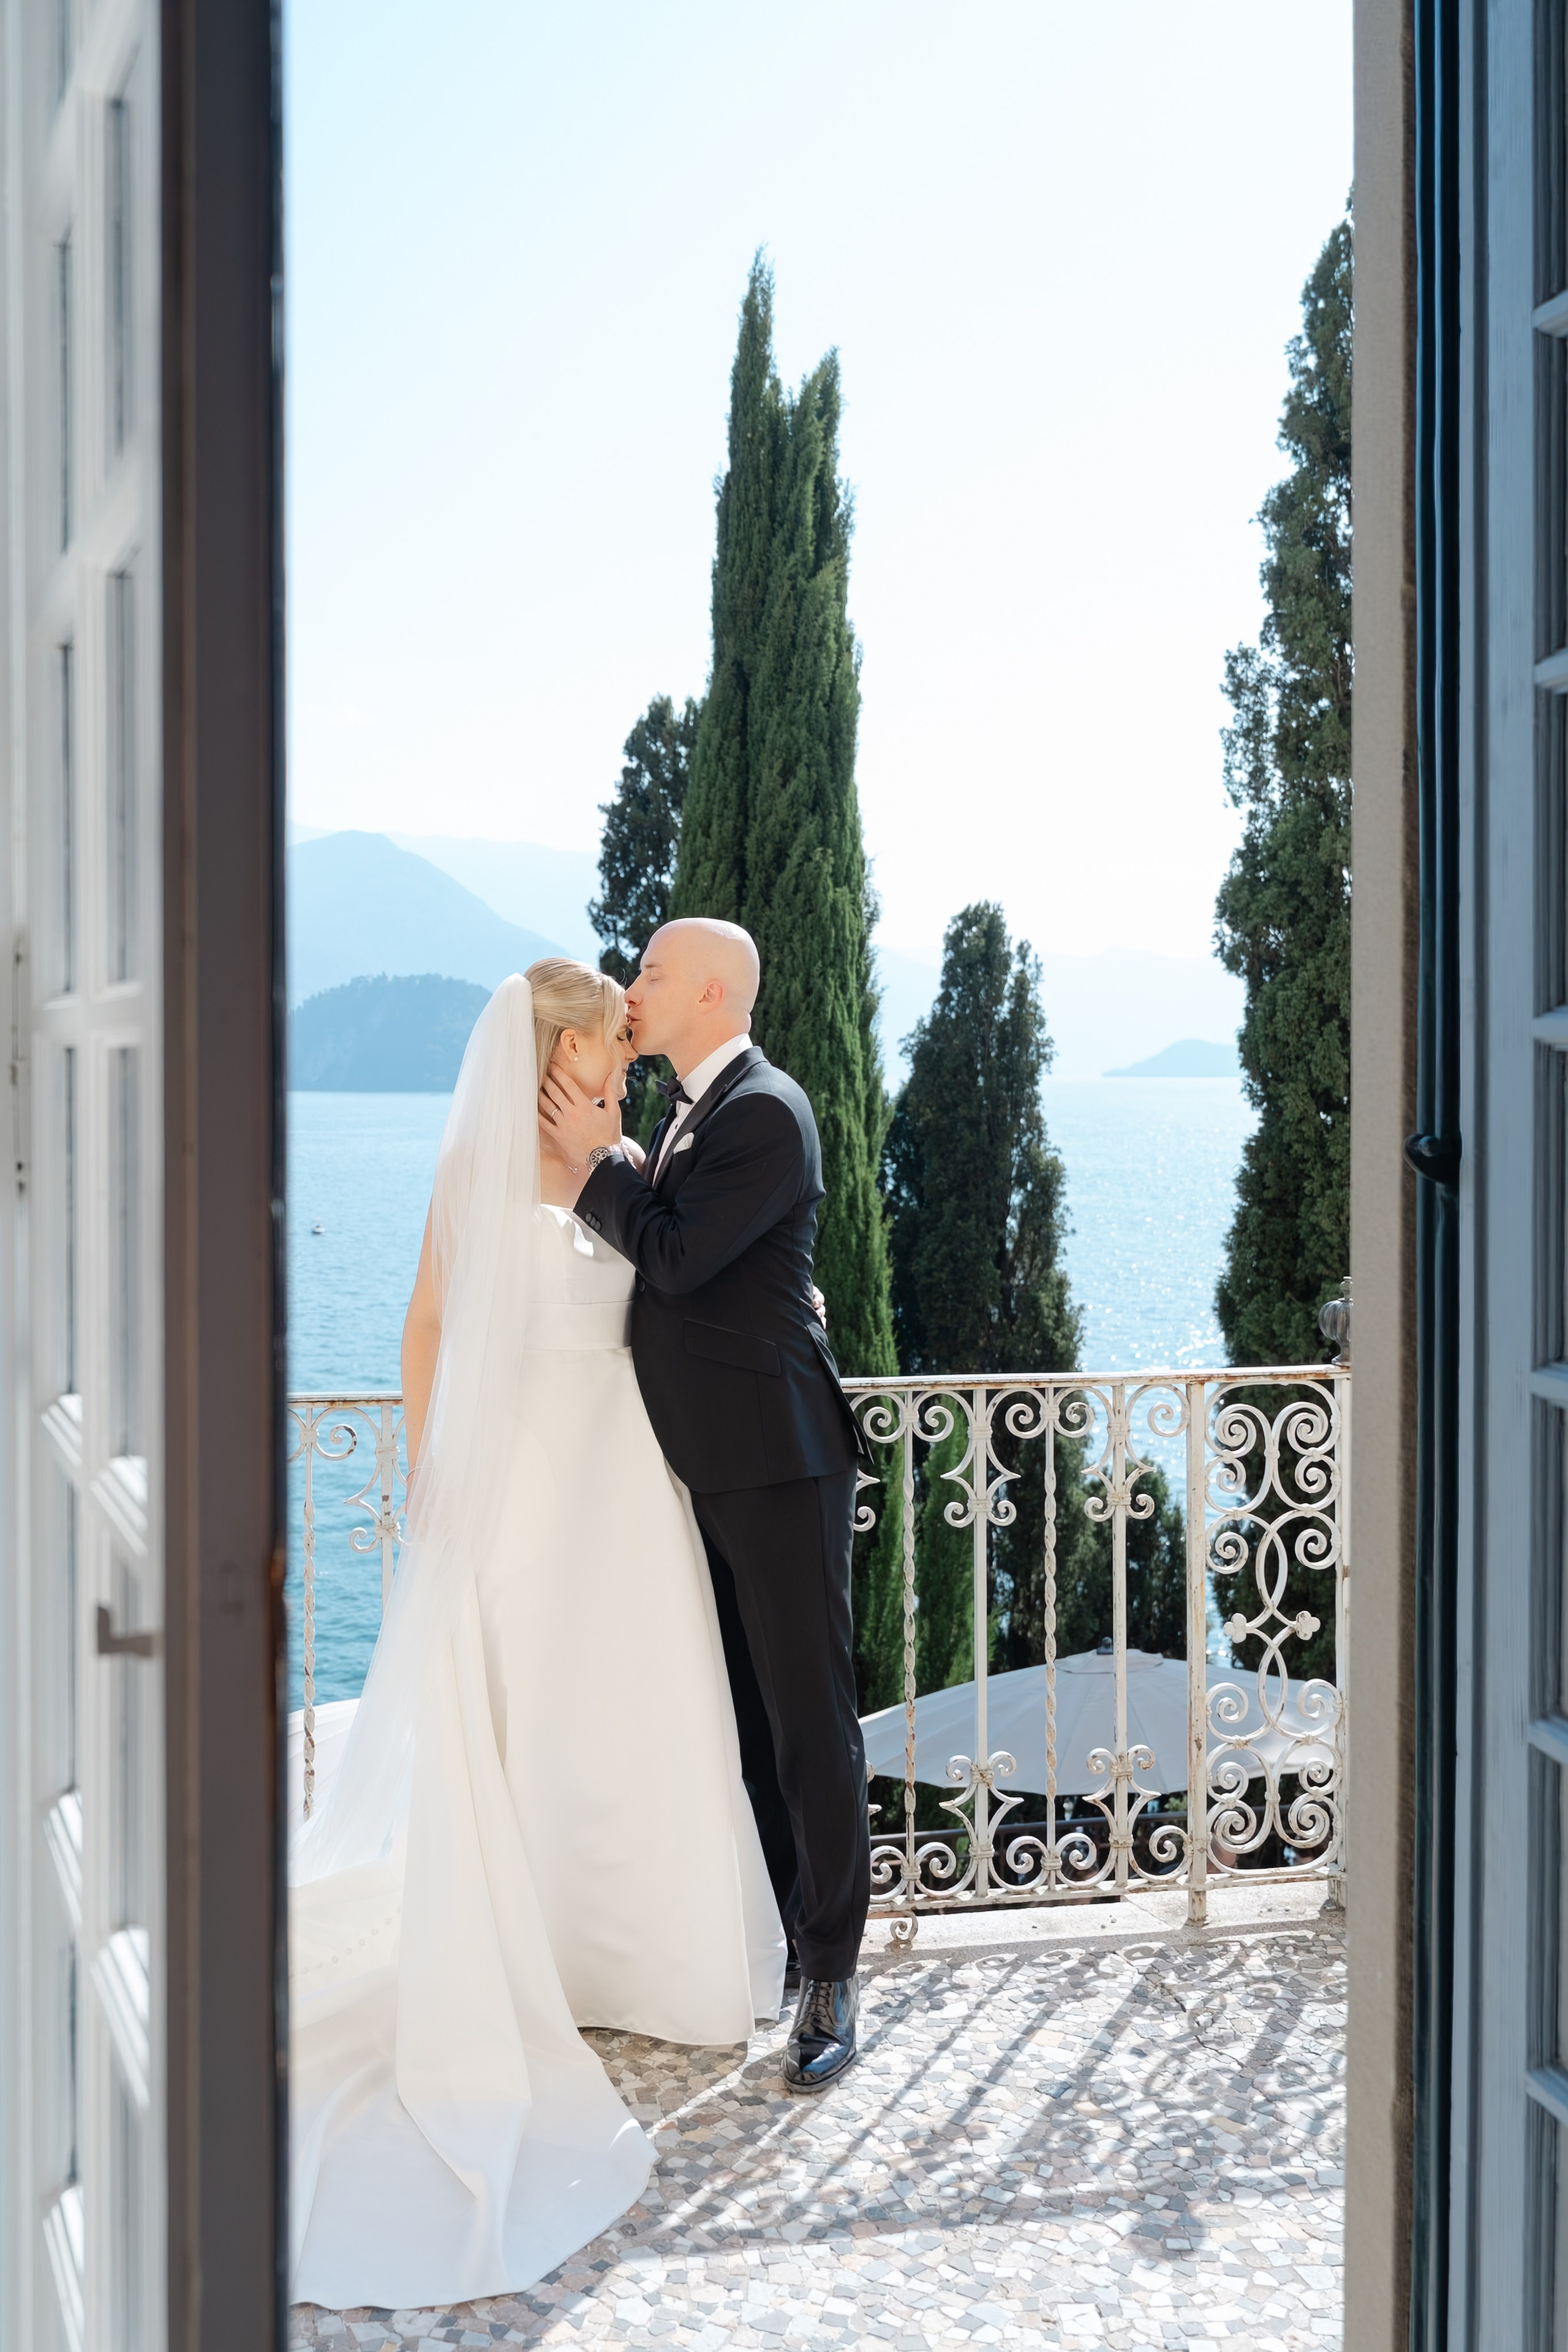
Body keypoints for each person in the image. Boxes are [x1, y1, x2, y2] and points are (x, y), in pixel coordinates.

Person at [288, 962, 784, 2313]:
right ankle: (531, 1961)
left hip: (622, 1478)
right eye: (603, 1054)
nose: (620, 1073)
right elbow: (431, 1321)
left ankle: (645, 1958)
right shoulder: (475, 1157)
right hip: (512, 1479)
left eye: (625, 1057)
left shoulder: (622, 1158)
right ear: (552, 1053)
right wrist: (434, 1468)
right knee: (526, 1712)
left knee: (632, 1710)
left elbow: (678, 1286)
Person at [540, 916, 872, 2095]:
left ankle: (833, 1972)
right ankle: (784, 1941)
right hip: (709, 1466)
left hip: (780, 1463)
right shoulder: (697, 1111)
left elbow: (676, 1261)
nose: (637, 986)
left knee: (807, 1724)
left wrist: (596, 1166)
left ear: (716, 992)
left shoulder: (767, 1110)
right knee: (743, 1718)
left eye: (655, 973)